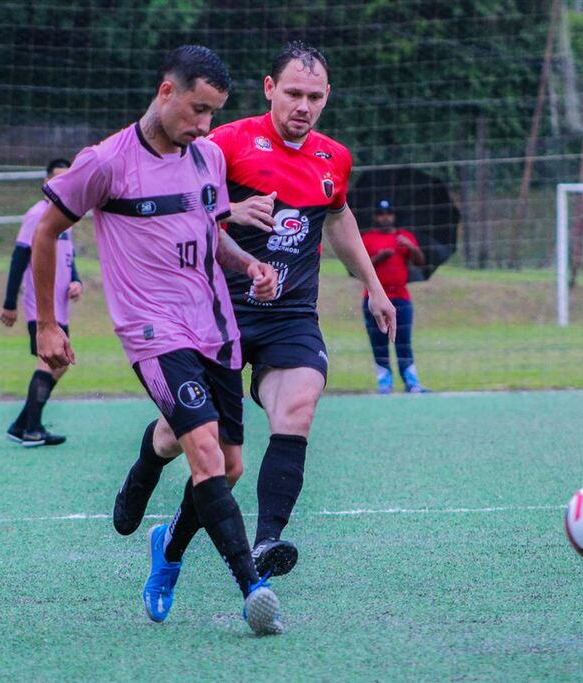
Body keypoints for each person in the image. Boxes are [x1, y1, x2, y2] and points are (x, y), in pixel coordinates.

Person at [112, 41, 397, 589]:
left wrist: (374, 287)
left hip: (291, 314)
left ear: (327, 96)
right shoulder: (226, 143)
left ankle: (262, 541)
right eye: (293, 93)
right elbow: (179, 207)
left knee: (298, 409)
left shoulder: (333, 158)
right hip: (217, 314)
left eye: (314, 97)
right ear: (269, 88)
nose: (303, 106)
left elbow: (339, 218)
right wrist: (231, 210)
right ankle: (147, 465)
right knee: (191, 443)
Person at [31, 45, 284, 636]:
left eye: (214, 113)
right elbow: (46, 233)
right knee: (205, 454)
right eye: (198, 109)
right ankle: (254, 588)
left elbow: (211, 236)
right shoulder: (105, 163)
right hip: (152, 332)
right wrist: (47, 322)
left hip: (215, 327)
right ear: (166, 91)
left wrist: (248, 265)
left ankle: (164, 536)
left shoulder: (208, 158)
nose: (205, 125)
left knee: (229, 466)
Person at [0, 158, 81, 447]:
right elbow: (19, 258)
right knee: (50, 362)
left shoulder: (66, 214)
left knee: (59, 363)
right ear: (45, 183)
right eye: (56, 178)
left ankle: (21, 425)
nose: (61, 184)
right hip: (41, 304)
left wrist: (76, 280)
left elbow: (68, 257)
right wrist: (9, 303)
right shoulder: (37, 214)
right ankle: (32, 429)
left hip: (61, 305)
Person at [360, 199, 429, 394]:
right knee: (378, 341)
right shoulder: (367, 238)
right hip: (374, 299)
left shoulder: (403, 236)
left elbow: (420, 261)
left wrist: (411, 247)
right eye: (381, 214)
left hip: (401, 298)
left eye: (388, 213)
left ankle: (411, 381)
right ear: (375, 217)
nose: (385, 217)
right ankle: (384, 383)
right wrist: (378, 258)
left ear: (394, 216)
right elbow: (359, 267)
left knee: (403, 340)